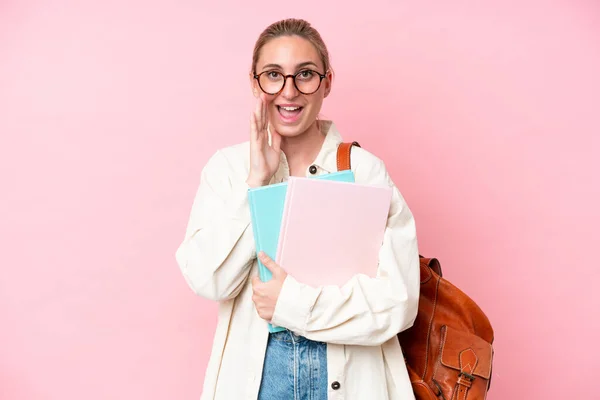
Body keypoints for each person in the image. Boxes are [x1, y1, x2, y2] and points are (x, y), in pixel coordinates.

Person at [175, 18, 420, 400]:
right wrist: (256, 182)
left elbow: (398, 302)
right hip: (257, 384)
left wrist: (291, 305)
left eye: (304, 74)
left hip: (352, 382)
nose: (288, 92)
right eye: (274, 75)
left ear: (327, 82)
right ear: (255, 83)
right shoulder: (227, 170)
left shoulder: (365, 172)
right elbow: (209, 280)